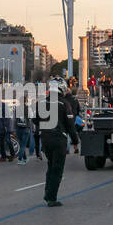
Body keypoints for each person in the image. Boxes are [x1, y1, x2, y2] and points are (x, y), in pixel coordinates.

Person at [40, 78, 82, 206]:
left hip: (45, 139)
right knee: (57, 170)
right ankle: (51, 198)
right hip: (59, 139)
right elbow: (71, 125)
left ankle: (48, 194)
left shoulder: (42, 102)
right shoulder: (64, 103)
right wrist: (75, 141)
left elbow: (36, 120)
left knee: (50, 167)